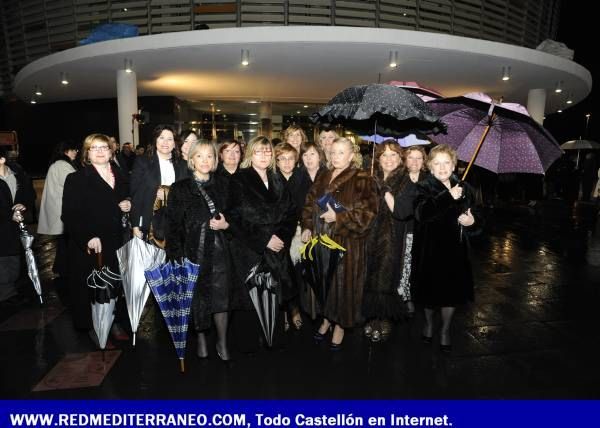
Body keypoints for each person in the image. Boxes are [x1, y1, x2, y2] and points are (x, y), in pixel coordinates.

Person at [301, 137, 378, 349]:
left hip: (347, 244)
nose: (335, 156)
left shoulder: (364, 178)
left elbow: (368, 216)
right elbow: (309, 203)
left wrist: (340, 218)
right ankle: (326, 319)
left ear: (352, 155)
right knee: (323, 283)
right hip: (321, 240)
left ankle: (340, 325)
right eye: (333, 152)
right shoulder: (323, 175)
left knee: (342, 287)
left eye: (341, 152)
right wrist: (307, 226)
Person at [226, 136, 297, 352]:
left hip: (276, 249)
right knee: (250, 302)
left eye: (268, 152)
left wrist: (281, 237)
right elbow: (234, 218)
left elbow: (291, 212)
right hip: (249, 250)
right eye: (259, 151)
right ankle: (249, 349)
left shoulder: (278, 179)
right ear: (250, 155)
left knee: (274, 298)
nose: (264, 155)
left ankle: (273, 344)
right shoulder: (239, 179)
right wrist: (264, 239)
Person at [166, 140, 234, 361]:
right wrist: (176, 256)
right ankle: (202, 340)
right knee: (197, 299)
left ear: (215, 160)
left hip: (220, 252)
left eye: (210, 156)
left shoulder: (225, 184)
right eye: (200, 156)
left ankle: (222, 342)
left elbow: (238, 217)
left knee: (221, 298)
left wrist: (226, 224)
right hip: (192, 253)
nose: (205, 161)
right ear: (191, 160)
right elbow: (173, 226)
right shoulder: (180, 189)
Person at [61, 134, 131, 342]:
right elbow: (69, 214)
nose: (100, 151)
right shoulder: (76, 178)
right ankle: (91, 323)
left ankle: (115, 321)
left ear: (111, 152)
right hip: (91, 242)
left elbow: (123, 199)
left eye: (104, 147)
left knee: (115, 282)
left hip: (116, 239)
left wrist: (127, 203)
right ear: (87, 154)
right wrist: (87, 237)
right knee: (90, 284)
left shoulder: (120, 174)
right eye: (94, 148)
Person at [412, 144, 480, 353]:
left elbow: (480, 221)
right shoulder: (423, 187)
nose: (442, 168)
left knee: (451, 295)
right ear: (430, 167)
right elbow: (421, 214)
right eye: (437, 164)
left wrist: (472, 222)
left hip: (455, 254)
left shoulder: (465, 188)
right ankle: (430, 324)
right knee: (430, 297)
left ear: (454, 166)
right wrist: (448, 196)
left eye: (446, 163)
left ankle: (445, 330)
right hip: (429, 252)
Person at [362, 141, 416, 342]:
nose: (388, 159)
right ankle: (370, 315)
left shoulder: (406, 180)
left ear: (400, 159)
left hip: (391, 237)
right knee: (368, 275)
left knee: (385, 278)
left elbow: (401, 211)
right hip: (368, 236)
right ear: (378, 158)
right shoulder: (371, 176)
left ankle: (381, 318)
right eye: (384, 155)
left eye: (393, 155)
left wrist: (384, 189)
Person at [131, 125, 188, 239]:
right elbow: (136, 194)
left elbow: (187, 192)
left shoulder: (182, 164)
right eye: (161, 137)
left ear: (174, 143)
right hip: (149, 222)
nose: (165, 142)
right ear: (155, 140)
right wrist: (135, 225)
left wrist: (168, 194)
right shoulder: (143, 161)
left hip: (176, 222)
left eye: (170, 139)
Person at [294, 141, 327, 321]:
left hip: (325, 230)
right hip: (302, 230)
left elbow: (335, 205)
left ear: (320, 156)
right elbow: (295, 205)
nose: (308, 158)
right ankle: (308, 310)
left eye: (312, 154)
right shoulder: (298, 176)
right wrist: (305, 226)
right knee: (304, 274)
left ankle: (325, 314)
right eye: (305, 155)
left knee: (323, 274)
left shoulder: (328, 175)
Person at [37, 140, 79, 278]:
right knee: (66, 241)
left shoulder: (59, 165)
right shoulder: (62, 166)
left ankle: (62, 267)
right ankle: (65, 268)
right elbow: (73, 185)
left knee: (64, 241)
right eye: (74, 150)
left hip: (60, 209)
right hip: (62, 210)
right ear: (66, 151)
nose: (76, 152)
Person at [0, 147, 35, 304]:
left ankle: (11, 291)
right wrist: (8, 215)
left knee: (14, 258)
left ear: (2, 160)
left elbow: (30, 194)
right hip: (3, 225)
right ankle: (6, 293)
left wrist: (23, 204)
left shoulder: (18, 174)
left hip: (15, 227)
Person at [397, 145, 428, 317]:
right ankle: (405, 297)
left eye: (418, 158)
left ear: (424, 161)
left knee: (417, 265)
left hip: (423, 231)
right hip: (404, 229)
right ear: (405, 160)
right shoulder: (399, 179)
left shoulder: (429, 180)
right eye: (411, 157)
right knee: (404, 263)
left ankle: (415, 294)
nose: (415, 161)